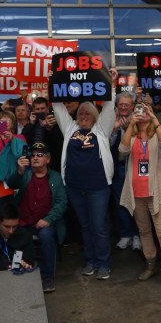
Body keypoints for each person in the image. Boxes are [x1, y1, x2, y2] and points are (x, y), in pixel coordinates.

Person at [53, 82, 116, 279]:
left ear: (95, 117)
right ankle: (91, 260)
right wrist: (54, 82)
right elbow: (57, 106)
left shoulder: (101, 130)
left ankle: (104, 263)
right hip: (74, 188)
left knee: (98, 226)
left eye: (87, 114)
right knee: (85, 226)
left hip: (98, 188)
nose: (83, 117)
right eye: (80, 114)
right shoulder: (70, 129)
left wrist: (110, 84)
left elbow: (108, 106)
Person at [119, 100, 161, 294]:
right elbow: (123, 150)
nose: (142, 112)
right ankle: (151, 265)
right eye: (139, 110)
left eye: (146, 110)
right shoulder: (132, 134)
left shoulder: (157, 133)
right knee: (144, 231)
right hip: (136, 192)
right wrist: (130, 125)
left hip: (157, 191)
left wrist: (153, 118)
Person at [7, 143, 67, 293]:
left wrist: (48, 219)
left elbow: (61, 203)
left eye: (40, 155)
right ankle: (17, 268)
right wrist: (19, 170)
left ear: (47, 159)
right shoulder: (25, 174)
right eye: (33, 155)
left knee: (46, 236)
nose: (35, 158)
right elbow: (11, 183)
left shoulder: (56, 177)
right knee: (16, 234)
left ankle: (47, 278)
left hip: (45, 222)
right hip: (25, 220)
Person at [111, 91, 140, 251]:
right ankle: (126, 234)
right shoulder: (109, 119)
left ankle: (137, 235)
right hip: (116, 166)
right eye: (121, 104)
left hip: (134, 166)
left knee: (136, 203)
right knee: (119, 202)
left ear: (132, 106)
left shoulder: (140, 118)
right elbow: (106, 144)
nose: (123, 107)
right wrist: (115, 130)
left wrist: (131, 126)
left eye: (126, 104)